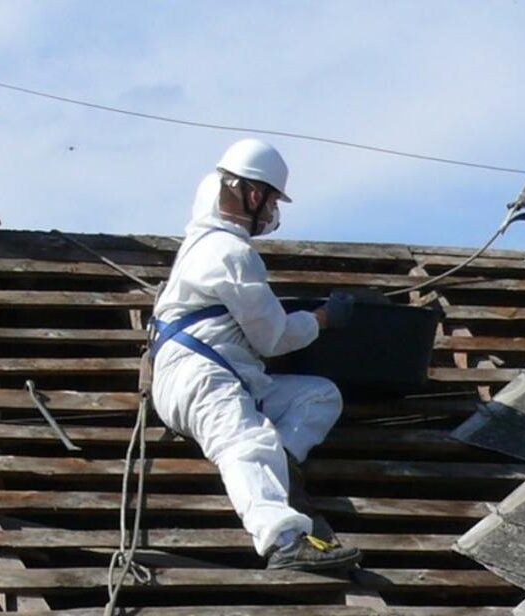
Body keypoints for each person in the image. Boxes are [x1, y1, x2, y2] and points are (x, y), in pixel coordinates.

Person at [150, 138, 362, 571]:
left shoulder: (205, 244)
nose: (270, 214)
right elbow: (273, 338)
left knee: (318, 395)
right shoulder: (229, 251)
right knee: (248, 442)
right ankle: (284, 541)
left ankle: (280, 463)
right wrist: (321, 319)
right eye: (269, 202)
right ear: (252, 194)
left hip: (226, 376)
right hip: (202, 378)